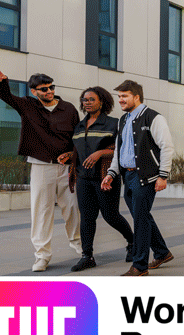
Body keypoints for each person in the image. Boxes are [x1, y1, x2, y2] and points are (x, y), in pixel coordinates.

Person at [0, 69, 81, 272]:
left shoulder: (68, 109)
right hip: (42, 167)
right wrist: (1, 82)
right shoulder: (27, 105)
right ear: (34, 92)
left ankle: (79, 245)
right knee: (42, 211)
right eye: (44, 89)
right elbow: (7, 96)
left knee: (72, 208)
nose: (49, 91)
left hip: (67, 167)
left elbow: (77, 137)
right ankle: (42, 256)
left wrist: (72, 155)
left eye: (51, 87)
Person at [102, 80, 175, 277]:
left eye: (124, 96)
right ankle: (162, 252)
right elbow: (120, 150)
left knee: (140, 220)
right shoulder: (123, 120)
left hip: (147, 176)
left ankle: (139, 266)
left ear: (137, 97)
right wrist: (111, 173)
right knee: (141, 216)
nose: (121, 100)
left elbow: (166, 147)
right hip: (128, 175)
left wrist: (163, 176)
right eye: (119, 97)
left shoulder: (154, 118)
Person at [57, 87, 134, 272]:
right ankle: (87, 256)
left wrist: (101, 153)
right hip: (84, 178)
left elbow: (123, 150)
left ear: (102, 102)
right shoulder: (79, 126)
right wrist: (69, 154)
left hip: (105, 177)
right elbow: (80, 149)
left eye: (92, 99)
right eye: (84, 99)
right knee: (87, 218)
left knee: (110, 216)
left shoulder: (113, 123)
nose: (87, 102)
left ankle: (132, 242)